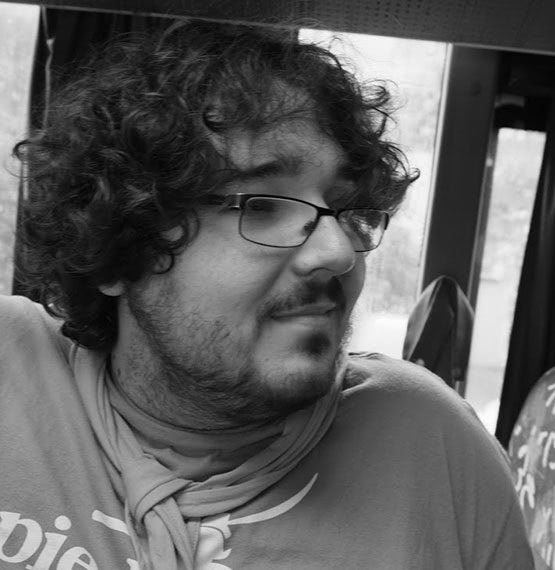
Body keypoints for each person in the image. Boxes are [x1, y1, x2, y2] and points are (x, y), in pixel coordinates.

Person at [1, 20, 533, 570]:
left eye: (347, 209)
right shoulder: (11, 368)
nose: (339, 252)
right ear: (118, 251)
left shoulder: (437, 449)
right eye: (262, 205)